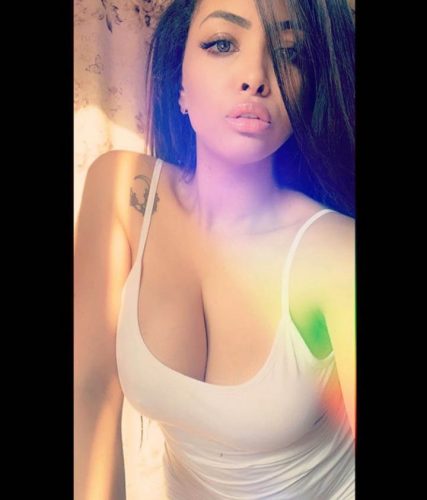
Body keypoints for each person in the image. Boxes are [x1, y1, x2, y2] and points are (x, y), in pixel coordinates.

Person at [74, 0, 356, 498]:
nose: (255, 77)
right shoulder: (123, 191)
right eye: (222, 44)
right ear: (179, 84)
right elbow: (88, 394)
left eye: (289, 54)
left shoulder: (336, 255)